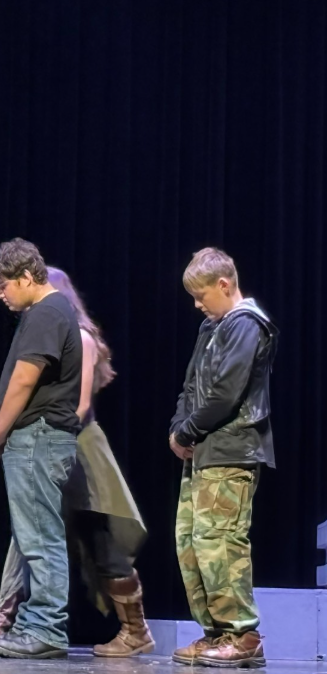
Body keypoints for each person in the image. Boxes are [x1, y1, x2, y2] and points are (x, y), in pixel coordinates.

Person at [0, 267, 153, 657]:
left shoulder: (74, 333)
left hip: (77, 442)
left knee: (100, 536)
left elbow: (79, 405)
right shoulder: (54, 326)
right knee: (29, 529)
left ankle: (135, 629)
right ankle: (6, 618)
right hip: (59, 437)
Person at [169, 248, 277, 668]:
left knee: (221, 542)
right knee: (191, 543)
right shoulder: (210, 327)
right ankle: (214, 632)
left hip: (232, 449)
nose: (197, 304)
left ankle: (242, 635)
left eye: (201, 295)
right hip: (202, 452)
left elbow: (226, 393)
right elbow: (191, 386)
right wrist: (178, 428)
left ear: (224, 285)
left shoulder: (247, 325)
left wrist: (187, 430)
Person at [0, 239, 82, 659]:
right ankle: (31, 625)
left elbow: (24, 379)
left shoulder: (48, 313)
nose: (1, 295)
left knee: (40, 537)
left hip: (38, 436)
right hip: (38, 436)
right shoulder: (48, 312)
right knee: (30, 536)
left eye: (4, 286)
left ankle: (46, 630)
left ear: (25, 278)